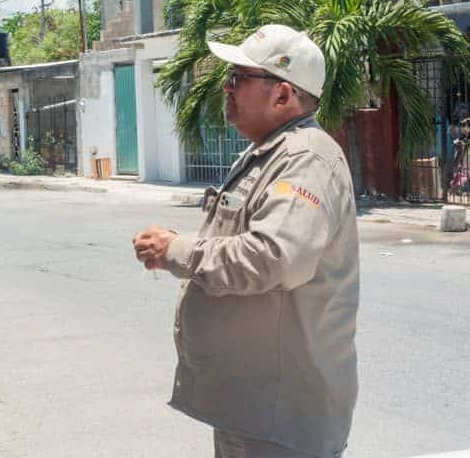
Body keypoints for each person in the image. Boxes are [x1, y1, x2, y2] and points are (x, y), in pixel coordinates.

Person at [132, 24, 359, 458]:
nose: (226, 86)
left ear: (282, 95)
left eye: (239, 77)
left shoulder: (305, 159)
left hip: (282, 413)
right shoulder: (271, 152)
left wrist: (176, 251)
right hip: (254, 407)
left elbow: (275, 258)